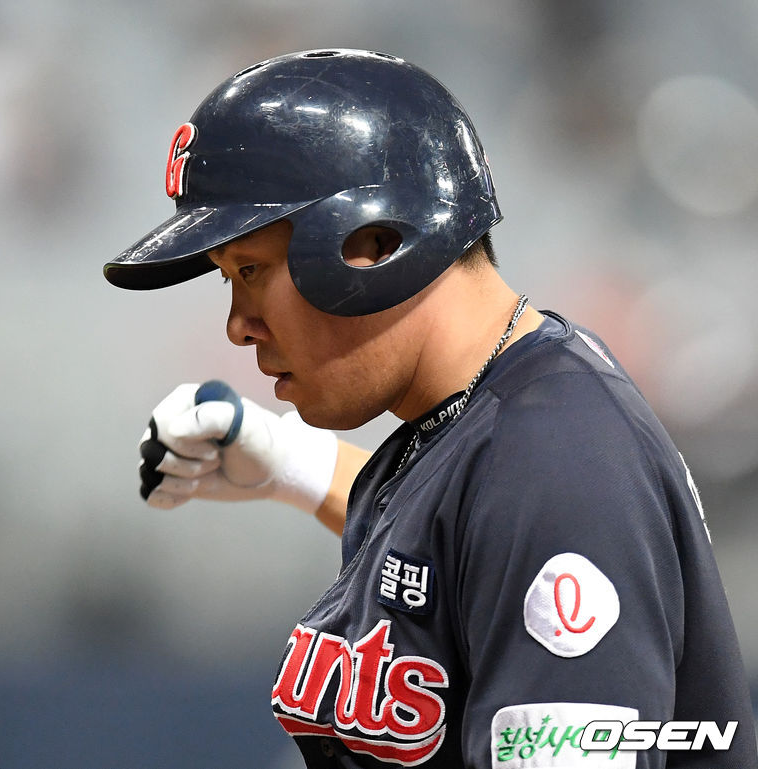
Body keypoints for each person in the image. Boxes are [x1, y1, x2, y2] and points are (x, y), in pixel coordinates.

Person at [103, 49, 757, 769]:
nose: (239, 324)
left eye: (250, 270)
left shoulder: (557, 459)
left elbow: (511, 513)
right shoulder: (487, 417)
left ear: (372, 242)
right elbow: (461, 535)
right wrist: (293, 463)